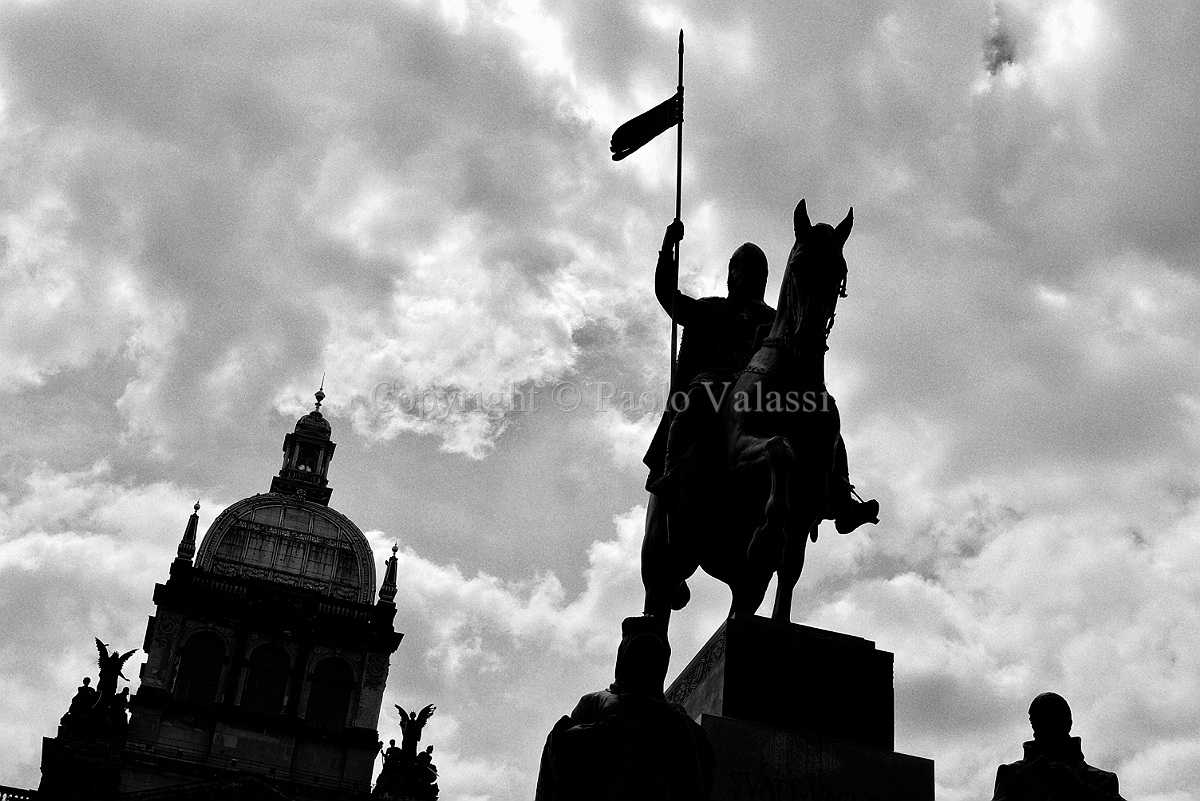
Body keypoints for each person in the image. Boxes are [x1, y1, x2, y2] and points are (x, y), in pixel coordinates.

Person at [643, 219, 877, 533]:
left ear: (765, 277)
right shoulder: (710, 309)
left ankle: (840, 495)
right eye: (741, 266)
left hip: (764, 391)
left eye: (756, 268)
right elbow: (666, 294)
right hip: (714, 383)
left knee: (822, 415)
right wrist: (669, 247)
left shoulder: (774, 317)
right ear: (731, 273)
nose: (748, 272)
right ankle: (671, 473)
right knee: (692, 403)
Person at [534, 616, 714, 801]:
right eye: (638, 653)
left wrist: (663, 713)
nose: (645, 661)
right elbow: (559, 748)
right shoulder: (595, 701)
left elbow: (702, 758)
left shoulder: (672, 712)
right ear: (624, 657)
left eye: (652, 655)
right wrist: (595, 733)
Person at [992, 692, 1125, 801]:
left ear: (1068, 723)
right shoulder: (1010, 774)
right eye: (1037, 721)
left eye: (1052, 719)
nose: (1044, 727)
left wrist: (1078, 787)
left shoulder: (1102, 780)